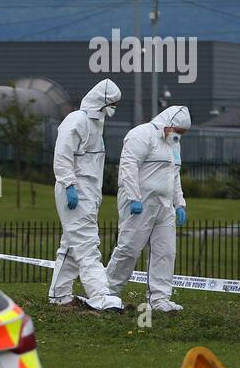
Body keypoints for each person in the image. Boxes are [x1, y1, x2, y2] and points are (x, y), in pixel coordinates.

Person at [105, 105, 191, 312]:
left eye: (182, 133)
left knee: (166, 251)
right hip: (140, 204)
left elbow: (174, 174)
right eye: (178, 131)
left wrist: (179, 203)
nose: (179, 136)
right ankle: (107, 292)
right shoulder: (141, 134)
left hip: (164, 205)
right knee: (129, 248)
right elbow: (129, 165)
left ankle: (160, 299)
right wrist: (134, 197)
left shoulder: (173, 144)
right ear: (168, 124)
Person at [49, 78, 124, 311]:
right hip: (75, 191)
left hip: (88, 194)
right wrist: (69, 185)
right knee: (87, 244)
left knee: (71, 246)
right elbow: (62, 155)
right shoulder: (77, 120)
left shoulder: (96, 124)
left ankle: (59, 295)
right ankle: (101, 295)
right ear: (100, 102)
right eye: (111, 103)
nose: (113, 108)